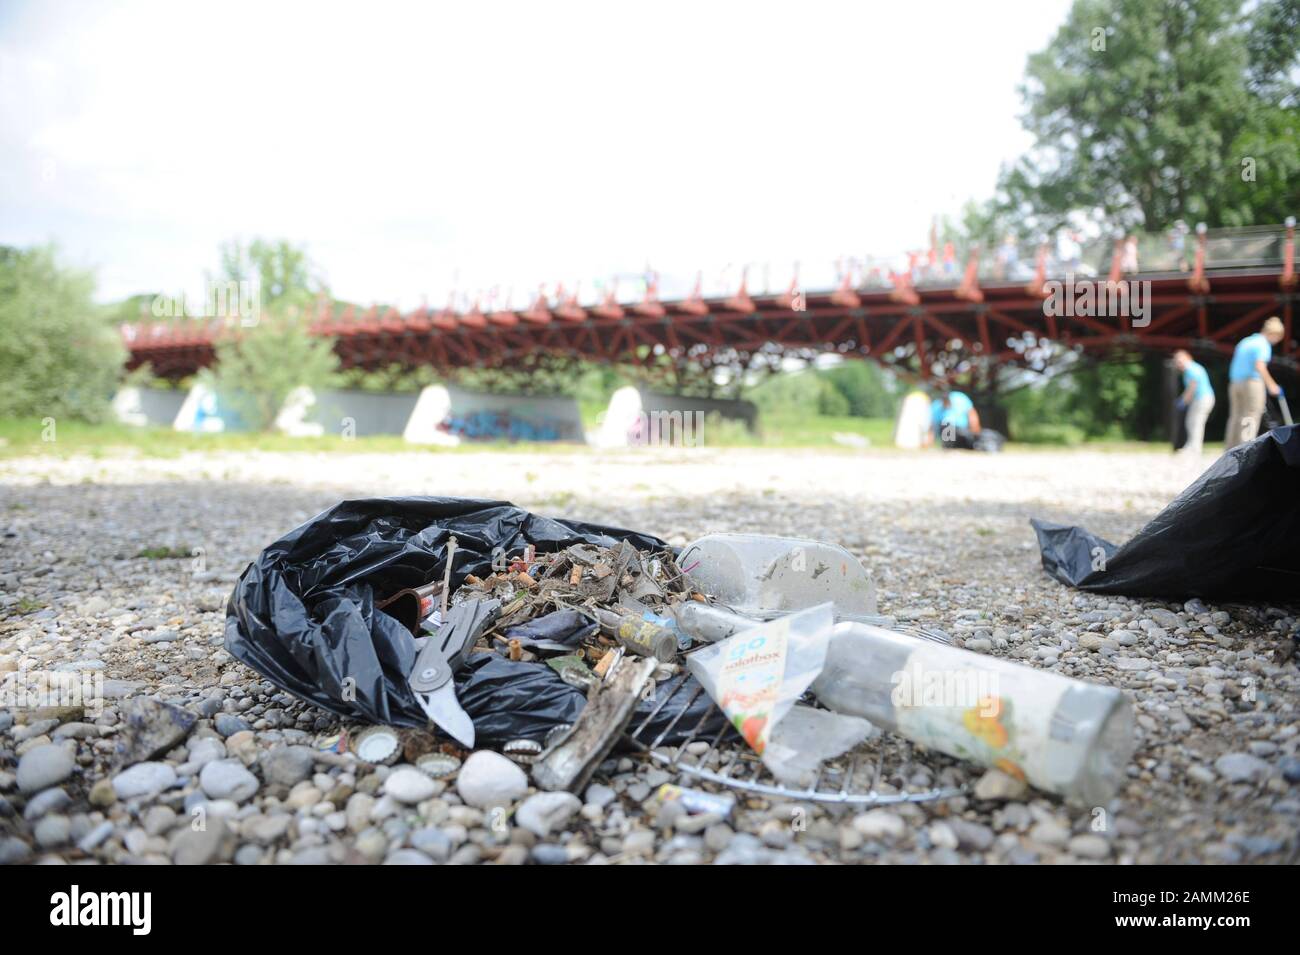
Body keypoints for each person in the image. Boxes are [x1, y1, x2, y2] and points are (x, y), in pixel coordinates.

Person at [1225, 316, 1285, 449]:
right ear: (1274, 334)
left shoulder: (1245, 341)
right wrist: (1272, 385)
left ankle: (1230, 449)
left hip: (1235, 383)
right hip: (1252, 383)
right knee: (1251, 415)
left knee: (1235, 416)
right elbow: (1260, 366)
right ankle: (1244, 449)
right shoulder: (1263, 344)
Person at [1172, 349, 1214, 454]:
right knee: (1191, 422)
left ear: (1187, 358)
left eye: (1180, 361)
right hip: (1199, 400)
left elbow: (1192, 387)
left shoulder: (1191, 369)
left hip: (1202, 399)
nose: (1178, 364)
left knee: (1196, 423)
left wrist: (1183, 401)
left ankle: (1194, 448)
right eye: (1177, 362)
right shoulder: (1191, 369)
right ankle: (1192, 446)